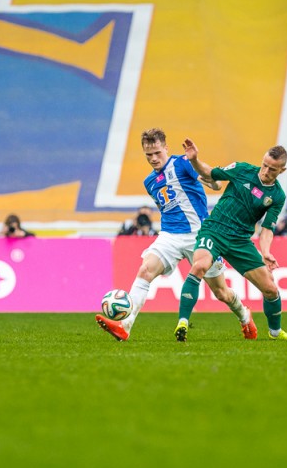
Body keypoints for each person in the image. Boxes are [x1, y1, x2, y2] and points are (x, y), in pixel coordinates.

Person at [95, 128, 257, 342]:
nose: (153, 158)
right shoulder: (149, 182)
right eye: (148, 155)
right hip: (169, 235)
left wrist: (197, 163)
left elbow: (216, 184)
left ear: (166, 148)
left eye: (157, 153)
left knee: (221, 292)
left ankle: (244, 315)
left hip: (200, 234)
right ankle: (124, 326)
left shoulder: (182, 163)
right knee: (145, 270)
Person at [176, 139, 287, 342]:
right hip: (214, 230)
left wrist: (266, 252)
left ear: (282, 170)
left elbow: (267, 229)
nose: (265, 171)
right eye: (264, 165)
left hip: (240, 240)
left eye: (272, 169)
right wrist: (195, 159)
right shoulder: (242, 169)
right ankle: (182, 323)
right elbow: (209, 173)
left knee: (270, 289)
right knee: (199, 266)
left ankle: (275, 333)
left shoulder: (277, 195)